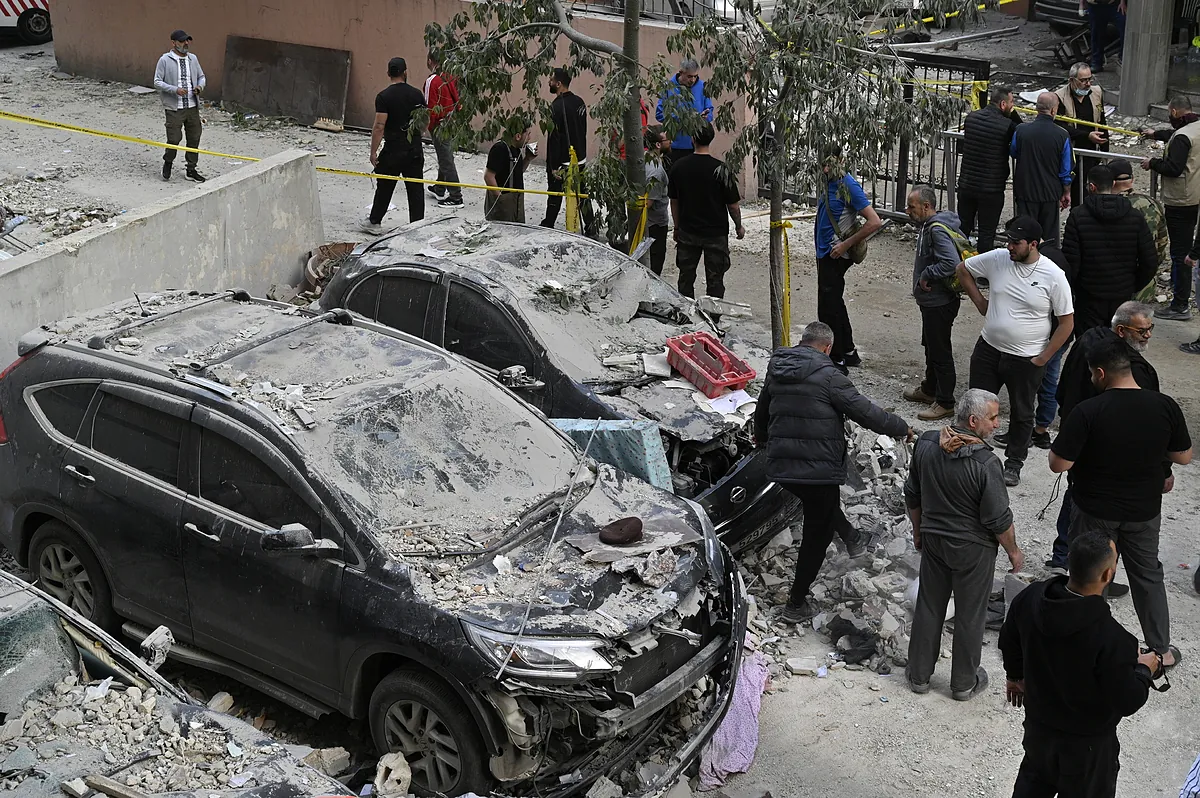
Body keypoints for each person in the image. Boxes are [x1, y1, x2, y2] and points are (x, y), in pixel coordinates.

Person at [753, 321, 912, 624]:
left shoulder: (778, 367)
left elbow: (763, 408)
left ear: (804, 342)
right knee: (819, 531)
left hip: (782, 465)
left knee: (821, 505)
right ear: (827, 347)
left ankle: (852, 537)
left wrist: (761, 437)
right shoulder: (829, 376)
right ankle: (796, 604)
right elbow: (865, 412)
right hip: (818, 468)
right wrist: (901, 427)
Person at [1049, 338, 1192, 669]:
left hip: (1095, 511)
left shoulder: (1089, 410)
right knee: (1147, 575)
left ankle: (1085, 644)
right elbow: (1183, 456)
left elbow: (1059, 464)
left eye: (1090, 374)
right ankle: (1161, 651)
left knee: (1089, 573)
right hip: (1143, 511)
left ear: (1100, 373)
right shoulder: (1164, 406)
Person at [1000, 530, 1161, 798]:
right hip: (1087, 750)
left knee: (1032, 784)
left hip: (1039, 730)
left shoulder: (1030, 599)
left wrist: (1015, 676)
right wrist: (1145, 669)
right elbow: (1126, 700)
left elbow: (1009, 638)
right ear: (1107, 575)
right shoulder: (1113, 639)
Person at [904, 389, 1022, 701]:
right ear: (973, 420)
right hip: (973, 550)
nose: (997, 425)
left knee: (930, 605)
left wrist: (918, 530)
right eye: (993, 418)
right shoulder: (986, 463)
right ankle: (963, 684)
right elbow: (998, 519)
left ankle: (918, 677)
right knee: (971, 613)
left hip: (934, 540)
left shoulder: (926, 443)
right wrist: (1013, 551)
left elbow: (912, 493)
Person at [956, 217, 1075, 487]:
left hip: (1026, 358)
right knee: (975, 405)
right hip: (988, 349)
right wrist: (980, 303)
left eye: (1015, 243)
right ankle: (971, 452)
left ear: (1033, 245)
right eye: (1008, 241)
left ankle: (1014, 463)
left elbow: (1067, 322)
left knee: (1022, 412)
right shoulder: (998, 258)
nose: (1009, 246)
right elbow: (962, 269)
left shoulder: (1053, 275)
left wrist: (1044, 358)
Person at [1049, 301, 1160, 574]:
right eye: (1142, 331)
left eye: (1150, 329)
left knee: (1076, 495)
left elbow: (1062, 390)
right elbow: (1146, 424)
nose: (1148, 336)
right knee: (1092, 509)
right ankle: (1091, 573)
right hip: (1106, 454)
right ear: (1121, 330)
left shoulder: (1087, 341)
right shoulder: (1133, 369)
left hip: (1077, 438)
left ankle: (1064, 559)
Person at [1061, 163, 1157, 333]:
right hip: (1122, 294)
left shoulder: (1078, 216)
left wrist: (1076, 288)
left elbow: (1071, 261)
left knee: (1089, 345)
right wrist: (1132, 285)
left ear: (1091, 187)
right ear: (1113, 184)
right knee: (1120, 348)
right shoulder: (1134, 216)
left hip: (1089, 296)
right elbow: (1149, 260)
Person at [815, 152, 883, 372]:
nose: (826, 169)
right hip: (825, 253)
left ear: (841, 160)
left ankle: (836, 360)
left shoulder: (849, 185)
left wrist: (845, 245)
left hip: (836, 255)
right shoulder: (828, 181)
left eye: (830, 163)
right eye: (823, 164)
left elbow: (874, 222)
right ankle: (848, 351)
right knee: (834, 303)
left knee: (828, 308)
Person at [903, 185, 963, 421]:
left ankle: (946, 402)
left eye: (912, 206)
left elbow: (950, 262)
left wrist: (927, 274)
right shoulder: (928, 226)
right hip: (931, 302)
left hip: (939, 302)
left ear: (926, 206)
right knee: (931, 346)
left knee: (940, 351)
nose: (907, 210)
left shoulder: (936, 230)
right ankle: (930, 390)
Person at [667, 122, 743, 299]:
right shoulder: (722, 169)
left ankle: (686, 316)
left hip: (688, 231)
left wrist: (677, 227)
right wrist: (738, 226)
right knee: (715, 279)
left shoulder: (678, 167)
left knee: (686, 277)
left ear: (692, 139)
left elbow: (674, 202)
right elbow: (733, 205)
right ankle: (713, 320)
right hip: (715, 233)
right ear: (711, 139)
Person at [1141, 96, 1200, 322]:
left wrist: (1153, 163)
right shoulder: (1195, 127)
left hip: (1180, 200)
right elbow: (1177, 138)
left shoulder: (1182, 136)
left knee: (1181, 254)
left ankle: (1180, 304)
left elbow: (1174, 167)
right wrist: (1155, 134)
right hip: (1195, 195)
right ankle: (1179, 291)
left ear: (1174, 111)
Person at [362, 57, 426, 236]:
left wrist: (373, 151)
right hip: (413, 149)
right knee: (415, 189)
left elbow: (379, 126)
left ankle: (374, 221)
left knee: (385, 186)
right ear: (405, 72)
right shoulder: (417, 95)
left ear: (389, 73)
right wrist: (417, 137)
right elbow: (423, 123)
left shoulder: (384, 97)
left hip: (392, 149)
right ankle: (417, 226)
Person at [958, 85, 1021, 252]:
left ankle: (955, 266)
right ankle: (982, 273)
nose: (1012, 106)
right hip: (990, 188)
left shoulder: (971, 118)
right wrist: (1013, 114)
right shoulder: (1007, 125)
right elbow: (1021, 130)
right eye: (1011, 103)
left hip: (966, 184)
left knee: (963, 228)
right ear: (1002, 104)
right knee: (986, 233)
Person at [1010, 93, 1073, 242]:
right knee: (1050, 237)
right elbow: (1066, 169)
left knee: (1024, 234)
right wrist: (1066, 191)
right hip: (1050, 194)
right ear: (1053, 110)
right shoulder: (1062, 135)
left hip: (1025, 191)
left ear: (1037, 108)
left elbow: (1013, 152)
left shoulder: (1021, 130)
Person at [542, 68, 596, 235]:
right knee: (582, 193)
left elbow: (554, 139)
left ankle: (548, 223)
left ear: (558, 84)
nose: (549, 83)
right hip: (579, 157)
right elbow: (582, 130)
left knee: (555, 193)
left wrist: (553, 165)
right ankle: (591, 226)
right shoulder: (579, 102)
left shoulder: (556, 107)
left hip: (563, 160)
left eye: (551, 80)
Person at [1110, 157, 1169, 302]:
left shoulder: (1108, 207)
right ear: (1133, 179)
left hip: (1114, 282)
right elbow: (1162, 243)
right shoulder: (1151, 204)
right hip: (1145, 282)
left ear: (1110, 181)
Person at [153, 30, 207, 183]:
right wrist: (174, 89)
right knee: (174, 139)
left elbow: (202, 76)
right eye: (182, 41)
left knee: (194, 137)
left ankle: (191, 169)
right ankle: (168, 162)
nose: (186, 44)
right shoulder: (165, 60)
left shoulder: (193, 59)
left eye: (187, 41)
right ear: (173, 43)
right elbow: (157, 82)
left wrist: (200, 87)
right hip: (174, 107)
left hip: (192, 106)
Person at [1055, 63, 1110, 208]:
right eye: (1083, 80)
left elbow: (1102, 121)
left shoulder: (1096, 92)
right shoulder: (1060, 97)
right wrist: (1086, 135)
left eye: (1090, 79)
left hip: (1092, 152)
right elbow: (1061, 127)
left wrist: (1105, 153)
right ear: (1071, 80)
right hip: (1072, 154)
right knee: (1076, 194)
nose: (1088, 84)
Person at [423, 51, 463, 208]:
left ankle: (456, 196)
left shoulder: (432, 80)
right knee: (444, 155)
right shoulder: (450, 76)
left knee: (445, 158)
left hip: (439, 123)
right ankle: (440, 187)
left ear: (430, 60)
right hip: (451, 121)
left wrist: (427, 126)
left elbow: (428, 107)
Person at [656, 59, 713, 167]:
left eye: (695, 76)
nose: (692, 80)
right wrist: (685, 119)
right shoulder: (668, 87)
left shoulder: (702, 86)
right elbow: (659, 114)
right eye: (689, 76)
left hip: (696, 147)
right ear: (681, 73)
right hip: (674, 146)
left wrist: (704, 118)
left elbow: (710, 111)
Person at [483, 122, 537, 223]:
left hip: (517, 200)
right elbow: (488, 177)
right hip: (504, 199)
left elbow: (517, 172)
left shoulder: (516, 150)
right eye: (528, 134)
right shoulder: (500, 149)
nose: (529, 138)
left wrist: (528, 159)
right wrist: (500, 198)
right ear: (518, 136)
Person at [645, 125, 671, 276]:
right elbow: (648, 203)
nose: (671, 142)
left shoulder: (648, 159)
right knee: (655, 264)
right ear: (658, 145)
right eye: (667, 140)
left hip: (653, 222)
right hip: (655, 223)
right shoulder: (655, 171)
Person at [1080, 0, 1126, 72]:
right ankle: (1096, 63)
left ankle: (1122, 57)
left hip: (1114, 4)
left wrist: (1122, 2)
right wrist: (1081, 4)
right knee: (1096, 35)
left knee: (1125, 27)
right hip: (1094, 6)